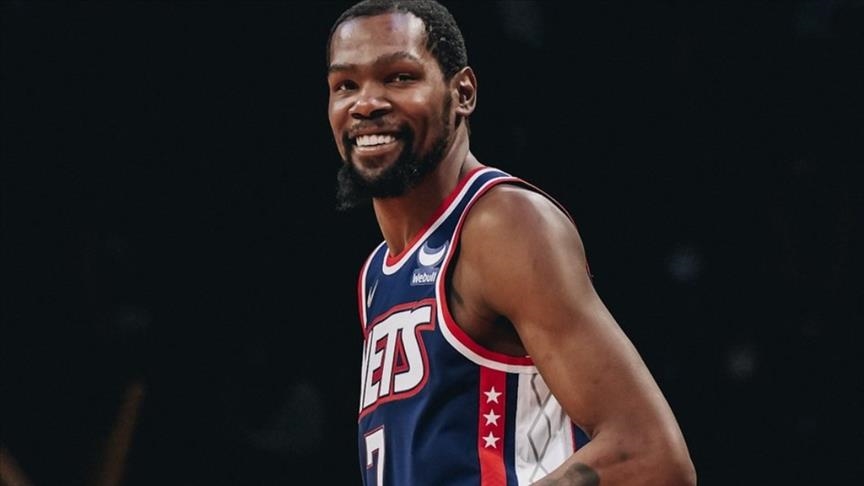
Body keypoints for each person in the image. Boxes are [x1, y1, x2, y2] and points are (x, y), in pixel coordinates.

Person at [326, 1, 697, 484]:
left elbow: (650, 454)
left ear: (462, 93)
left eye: (399, 77)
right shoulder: (377, 274)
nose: (366, 103)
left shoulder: (502, 224)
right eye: (345, 85)